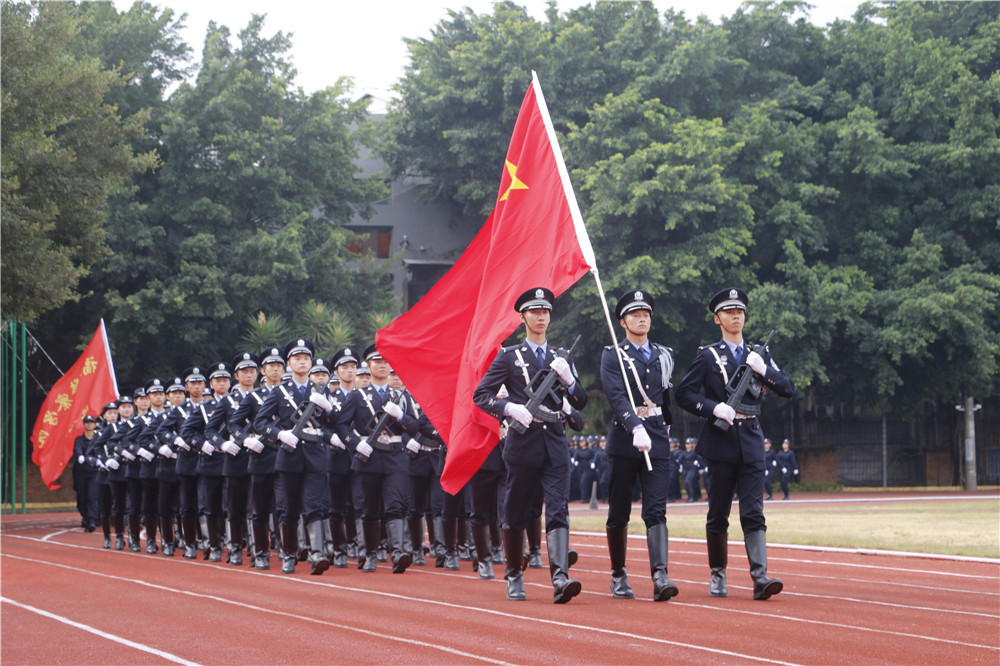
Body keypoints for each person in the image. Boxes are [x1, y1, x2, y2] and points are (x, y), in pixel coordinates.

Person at [675, 287, 795, 600]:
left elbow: (788, 388)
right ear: (717, 319)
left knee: (754, 511)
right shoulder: (708, 355)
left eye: (740, 311)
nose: (736, 316)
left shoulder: (759, 354)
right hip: (721, 439)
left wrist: (764, 370)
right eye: (729, 312)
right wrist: (714, 408)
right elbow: (684, 394)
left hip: (752, 438)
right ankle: (718, 574)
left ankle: (760, 577)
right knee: (718, 512)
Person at [473, 287, 587, 603]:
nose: (541, 317)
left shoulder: (562, 357)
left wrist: (570, 381)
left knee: (558, 508)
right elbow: (481, 395)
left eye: (545, 312)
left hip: (554, 441)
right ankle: (513, 574)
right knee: (517, 511)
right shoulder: (509, 357)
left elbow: (580, 401)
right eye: (534, 312)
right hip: (522, 443)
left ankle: (560, 578)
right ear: (523, 316)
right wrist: (510, 408)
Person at [599, 289, 679, 601]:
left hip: (657, 438)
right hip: (624, 440)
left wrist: (665, 423)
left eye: (645, 313)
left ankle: (660, 576)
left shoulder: (664, 354)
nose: (642, 318)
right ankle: (618, 574)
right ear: (622, 321)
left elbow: (665, 394)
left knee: (656, 510)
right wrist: (635, 426)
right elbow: (617, 396)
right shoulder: (613, 355)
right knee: (619, 511)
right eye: (634, 314)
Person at [254, 339, 333, 575]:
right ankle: (289, 554)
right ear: (289, 363)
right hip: (289, 456)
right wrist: (280, 434)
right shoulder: (279, 391)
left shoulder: (321, 389)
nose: (302, 362)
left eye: (306, 358)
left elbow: (334, 424)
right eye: (297, 358)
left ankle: (317, 554)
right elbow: (260, 422)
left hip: (315, 455)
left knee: (314, 505)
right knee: (289, 508)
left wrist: (328, 409)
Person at [73, 415, 99, 532]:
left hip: (94, 471)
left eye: (91, 423)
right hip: (82, 472)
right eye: (87, 423)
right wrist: (80, 456)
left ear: (94, 425)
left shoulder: (98, 439)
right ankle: (85, 516)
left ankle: (92, 520)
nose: (89, 425)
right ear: (84, 425)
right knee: (82, 496)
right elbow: (78, 449)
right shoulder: (79, 440)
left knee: (92, 495)